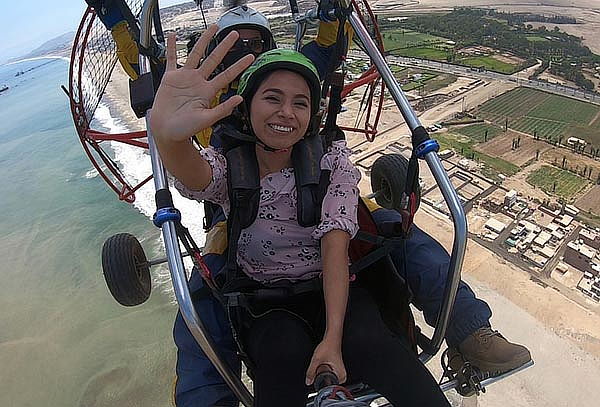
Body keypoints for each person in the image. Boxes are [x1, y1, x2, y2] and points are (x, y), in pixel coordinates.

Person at [151, 26, 451, 406]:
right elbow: (194, 173)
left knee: (373, 342)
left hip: (335, 288)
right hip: (265, 300)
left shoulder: (330, 162)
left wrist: (332, 337)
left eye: (300, 103)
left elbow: (335, 246)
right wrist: (169, 138)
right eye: (272, 98)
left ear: (312, 116)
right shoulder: (231, 168)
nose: (285, 113)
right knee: (280, 353)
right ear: (246, 107)